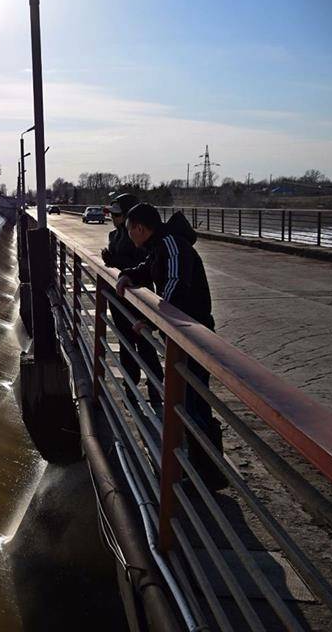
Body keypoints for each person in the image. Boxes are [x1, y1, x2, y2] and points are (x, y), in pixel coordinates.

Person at [115, 203, 227, 491]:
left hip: (195, 336)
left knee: (193, 403)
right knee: (186, 401)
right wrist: (128, 274)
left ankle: (210, 474)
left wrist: (153, 320)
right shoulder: (159, 246)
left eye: (130, 230)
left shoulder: (172, 244)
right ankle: (202, 469)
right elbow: (149, 269)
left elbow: (176, 284)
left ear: (140, 228)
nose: (129, 236)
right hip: (182, 336)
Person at [100, 194, 163, 411]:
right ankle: (131, 386)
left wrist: (115, 261)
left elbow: (144, 264)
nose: (114, 218)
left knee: (145, 344)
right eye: (112, 214)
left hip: (139, 298)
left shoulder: (140, 237)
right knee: (125, 344)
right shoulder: (114, 235)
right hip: (120, 299)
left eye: (117, 214)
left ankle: (156, 388)